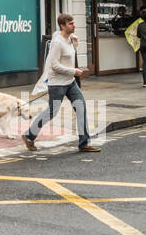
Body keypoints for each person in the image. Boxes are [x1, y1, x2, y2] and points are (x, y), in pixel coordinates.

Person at [22, 12, 100, 152]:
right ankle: (29, 136)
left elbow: (69, 54)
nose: (74, 26)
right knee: (52, 112)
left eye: (74, 23)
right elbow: (54, 65)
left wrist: (75, 42)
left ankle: (84, 143)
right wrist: (74, 71)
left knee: (81, 108)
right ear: (62, 26)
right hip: (57, 84)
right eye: (71, 24)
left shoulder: (67, 38)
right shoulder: (57, 42)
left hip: (70, 82)